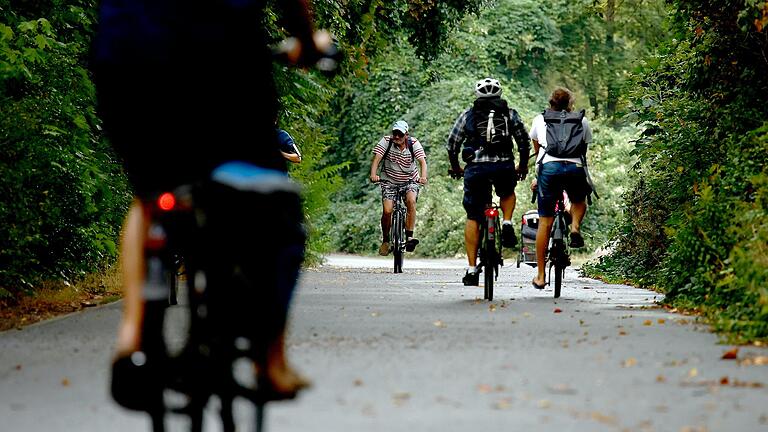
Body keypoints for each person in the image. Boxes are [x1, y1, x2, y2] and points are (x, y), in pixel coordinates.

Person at [91, 0, 325, 402]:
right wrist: (307, 42)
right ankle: (270, 362)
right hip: (221, 56)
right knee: (275, 207)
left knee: (149, 194)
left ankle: (130, 342)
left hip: (127, 56)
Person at [446, 78, 530, 286]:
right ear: (499, 95)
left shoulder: (468, 116)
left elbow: (452, 144)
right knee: (507, 192)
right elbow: (523, 142)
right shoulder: (510, 114)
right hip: (504, 166)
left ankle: (472, 269)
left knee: (473, 216)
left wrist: (456, 167)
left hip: (476, 170)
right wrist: (522, 166)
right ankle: (507, 221)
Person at [529, 87, 595, 290]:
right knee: (578, 200)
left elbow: (537, 147)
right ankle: (575, 226)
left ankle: (540, 276)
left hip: (549, 168)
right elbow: (584, 147)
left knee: (545, 223)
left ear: (550, 103)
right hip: (574, 167)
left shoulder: (540, 120)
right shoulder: (581, 121)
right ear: (570, 103)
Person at [369, 120, 428, 256]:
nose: (396, 137)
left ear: (406, 135)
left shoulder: (413, 144)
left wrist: (423, 177)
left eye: (400, 134)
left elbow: (422, 162)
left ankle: (409, 237)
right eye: (395, 133)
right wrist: (373, 174)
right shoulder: (386, 141)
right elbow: (376, 160)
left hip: (409, 180)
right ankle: (386, 240)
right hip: (388, 180)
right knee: (388, 210)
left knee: (411, 201)